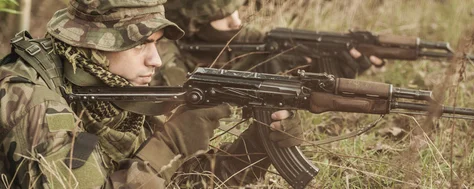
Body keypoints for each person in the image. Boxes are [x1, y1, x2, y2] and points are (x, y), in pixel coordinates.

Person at [0, 0, 301, 188]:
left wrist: (260, 142)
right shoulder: (33, 99)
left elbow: (179, 180)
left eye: (156, 44)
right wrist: (169, 144)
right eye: (139, 44)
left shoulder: (110, 91)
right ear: (96, 45)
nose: (155, 60)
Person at [152, 0, 384, 87]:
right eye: (222, 15)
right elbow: (183, 92)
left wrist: (323, 66)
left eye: (237, 11)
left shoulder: (236, 38)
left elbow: (262, 57)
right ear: (191, 22)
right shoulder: (159, 52)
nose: (237, 22)